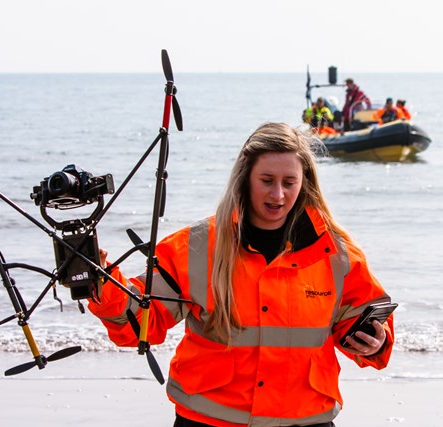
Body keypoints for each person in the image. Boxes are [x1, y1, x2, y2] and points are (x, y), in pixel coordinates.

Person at [89, 122, 395, 427]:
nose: (278, 194)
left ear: (305, 183)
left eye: (289, 182)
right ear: (245, 179)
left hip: (307, 419)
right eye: (266, 180)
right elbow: (143, 324)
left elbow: (364, 319)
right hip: (209, 421)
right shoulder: (194, 247)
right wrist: (101, 283)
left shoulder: (335, 252)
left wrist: (376, 340)